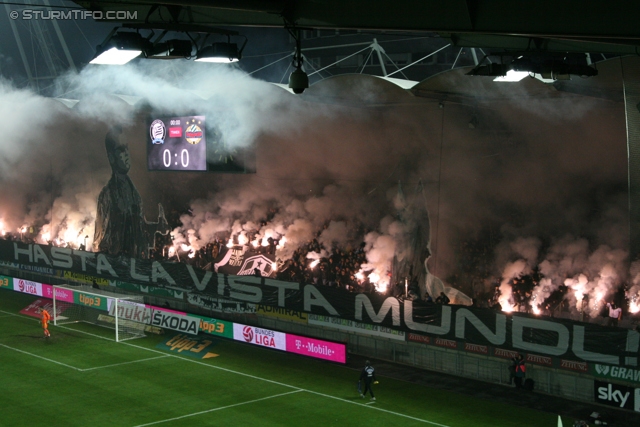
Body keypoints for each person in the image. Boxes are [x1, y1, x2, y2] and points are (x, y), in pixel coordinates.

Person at [93, 126, 170, 258]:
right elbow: (103, 234)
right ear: (111, 157)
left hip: (135, 259)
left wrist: (157, 227)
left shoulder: (133, 192)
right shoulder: (108, 195)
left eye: (127, 147)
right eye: (121, 149)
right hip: (116, 262)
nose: (127, 153)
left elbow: (138, 226)